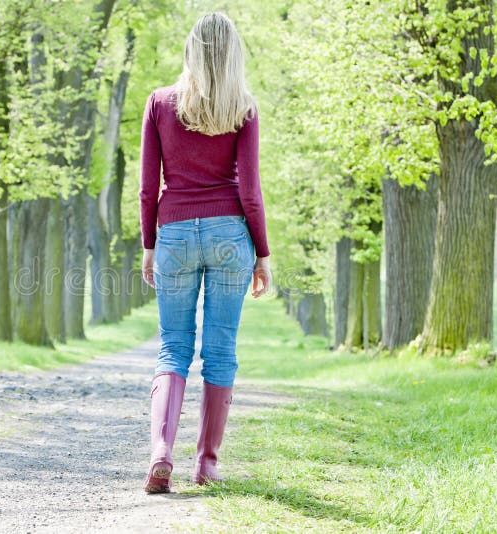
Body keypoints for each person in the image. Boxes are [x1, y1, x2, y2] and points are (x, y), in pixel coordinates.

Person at [138, 12, 272, 494]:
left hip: (173, 231)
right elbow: (251, 192)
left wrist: (149, 245)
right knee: (220, 350)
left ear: (190, 50)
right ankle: (207, 464)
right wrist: (262, 253)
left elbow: (147, 188)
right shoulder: (244, 108)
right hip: (229, 237)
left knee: (174, 346)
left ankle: (160, 451)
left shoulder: (159, 104)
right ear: (233, 54)